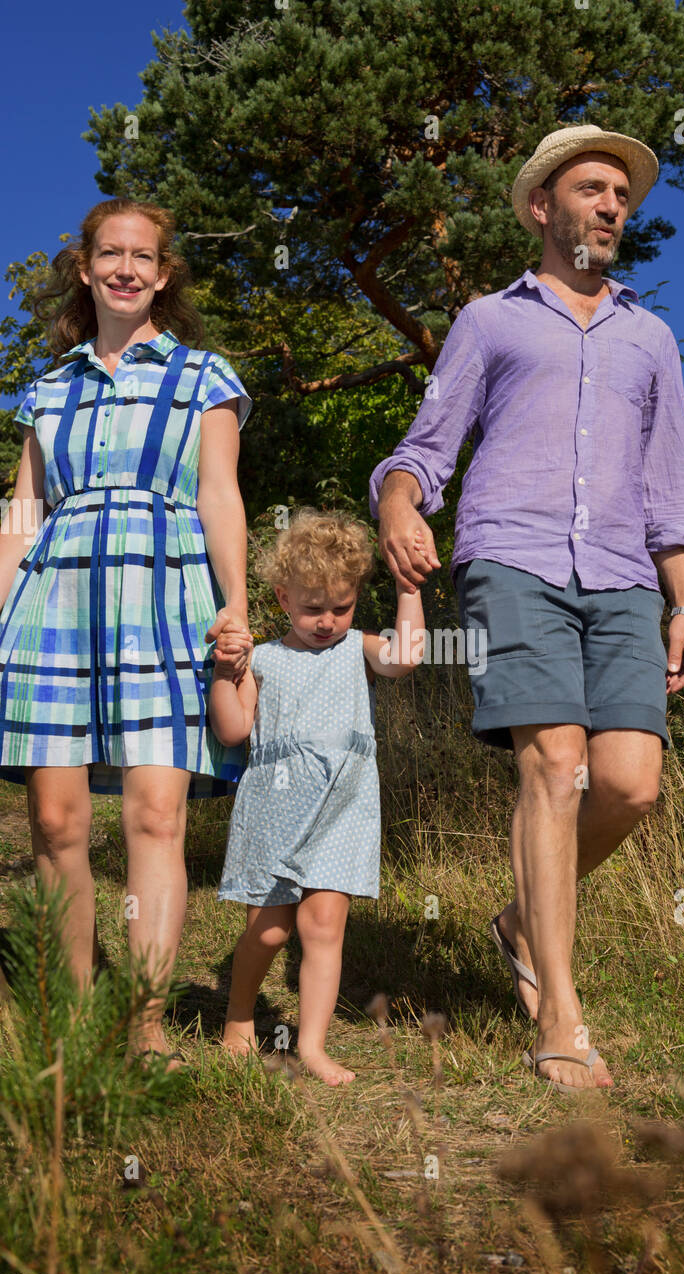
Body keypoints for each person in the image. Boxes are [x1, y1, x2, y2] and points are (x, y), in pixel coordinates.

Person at [370, 124, 684, 1094]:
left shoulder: (648, 338)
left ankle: (521, 918)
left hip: (622, 577)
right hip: (510, 558)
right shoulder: (489, 321)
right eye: (591, 188)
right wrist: (398, 504)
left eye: (620, 193)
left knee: (629, 784)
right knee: (552, 767)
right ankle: (559, 1017)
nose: (610, 204)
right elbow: (424, 449)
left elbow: (663, 487)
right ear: (539, 207)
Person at [0, 198, 252, 1068]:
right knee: (56, 819)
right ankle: (72, 1019)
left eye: (143, 256)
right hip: (55, 604)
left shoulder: (204, 375)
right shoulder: (47, 387)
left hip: (166, 596)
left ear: (163, 272)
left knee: (156, 812)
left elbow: (220, 494)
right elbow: (21, 513)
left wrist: (236, 602)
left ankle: (143, 1023)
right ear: (86, 267)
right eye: (111, 253)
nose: (126, 268)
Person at [209, 508, 425, 1085]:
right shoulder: (265, 659)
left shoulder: (359, 648)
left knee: (324, 926)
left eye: (341, 606)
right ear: (282, 598)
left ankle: (311, 1045)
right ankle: (238, 1016)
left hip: (343, 809)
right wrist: (224, 677)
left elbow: (406, 658)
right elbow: (234, 730)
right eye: (312, 608)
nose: (328, 620)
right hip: (276, 809)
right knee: (273, 929)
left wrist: (408, 589)